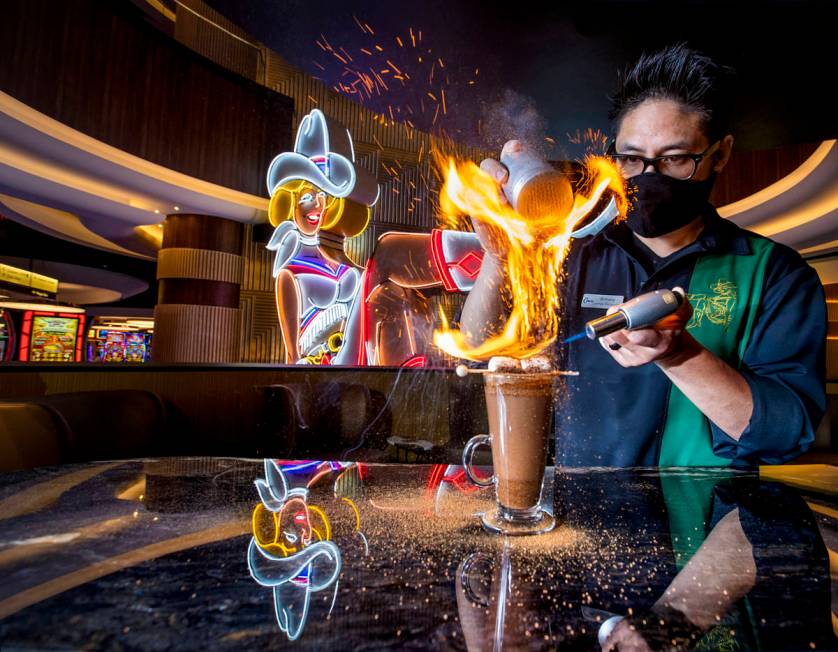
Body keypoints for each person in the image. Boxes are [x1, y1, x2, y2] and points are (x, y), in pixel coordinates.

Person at [463, 44, 826, 466]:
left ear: (720, 154)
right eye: (631, 159)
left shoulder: (774, 274)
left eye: (674, 160)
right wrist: (500, 256)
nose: (648, 178)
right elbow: (481, 345)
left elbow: (786, 434)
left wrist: (680, 354)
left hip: (705, 518)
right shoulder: (571, 254)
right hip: (578, 518)